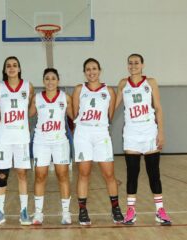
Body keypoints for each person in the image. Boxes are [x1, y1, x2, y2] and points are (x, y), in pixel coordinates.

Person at [115, 53, 171, 225]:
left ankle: (160, 210)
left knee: (154, 173)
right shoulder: (123, 84)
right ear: (127, 66)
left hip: (149, 132)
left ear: (142, 65)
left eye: (136, 63)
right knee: (132, 174)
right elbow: (113, 107)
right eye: (130, 63)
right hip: (131, 134)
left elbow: (159, 109)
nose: (133, 66)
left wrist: (160, 132)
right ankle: (131, 210)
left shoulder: (151, 82)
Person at [72, 58, 124, 225]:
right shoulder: (79, 89)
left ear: (100, 70)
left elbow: (110, 116)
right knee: (84, 173)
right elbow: (74, 113)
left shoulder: (109, 90)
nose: (91, 72)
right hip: (83, 133)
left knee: (109, 174)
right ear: (84, 72)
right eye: (88, 69)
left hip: (101, 133)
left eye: (94, 68)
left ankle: (116, 209)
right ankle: (82, 210)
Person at [0, 56, 34, 226]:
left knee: (22, 174)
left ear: (20, 68)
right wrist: (1, 114)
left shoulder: (27, 86)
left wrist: (20, 118)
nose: (12, 68)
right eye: (8, 66)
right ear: (5, 69)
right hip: (4, 137)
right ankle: (0, 212)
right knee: (2, 175)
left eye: (15, 65)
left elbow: (31, 109)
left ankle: (24, 211)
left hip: (22, 137)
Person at [29, 68, 74, 225]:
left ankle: (66, 213)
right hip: (41, 141)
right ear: (43, 81)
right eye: (47, 78)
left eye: (53, 78)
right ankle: (39, 213)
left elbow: (74, 117)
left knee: (63, 175)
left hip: (60, 141)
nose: (50, 81)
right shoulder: (37, 98)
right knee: (40, 175)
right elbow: (28, 114)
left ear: (58, 80)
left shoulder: (65, 98)